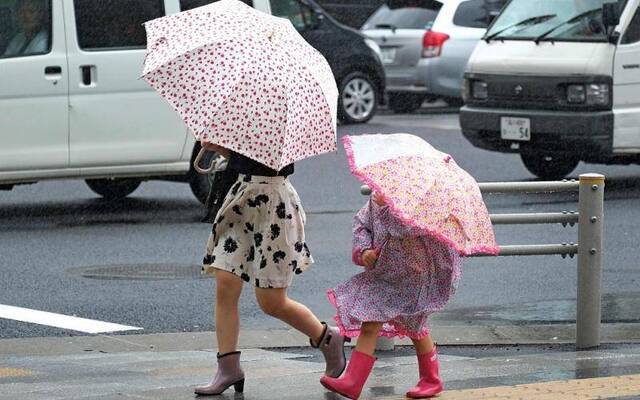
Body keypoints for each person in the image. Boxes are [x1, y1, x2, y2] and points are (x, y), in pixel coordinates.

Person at [194, 142, 350, 396]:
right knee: (225, 282)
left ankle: (327, 338)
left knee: (271, 302)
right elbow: (240, 160)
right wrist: (219, 147)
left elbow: (271, 157)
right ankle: (228, 368)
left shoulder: (280, 120)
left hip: (275, 206)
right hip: (240, 200)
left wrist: (227, 148)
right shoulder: (241, 112)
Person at [320, 191, 462, 399]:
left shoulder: (420, 200)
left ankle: (431, 378)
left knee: (415, 327)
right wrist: (364, 249)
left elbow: (406, 228)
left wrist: (388, 208)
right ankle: (353, 381)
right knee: (369, 322)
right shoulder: (377, 198)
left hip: (414, 276)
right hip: (384, 275)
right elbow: (362, 222)